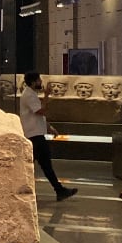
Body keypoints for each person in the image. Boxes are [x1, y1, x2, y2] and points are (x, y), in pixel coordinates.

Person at [18, 71, 77, 201]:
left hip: (36, 134)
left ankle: (59, 190)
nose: (41, 82)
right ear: (33, 82)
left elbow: (38, 116)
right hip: (34, 135)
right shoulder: (29, 95)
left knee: (42, 165)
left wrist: (49, 127)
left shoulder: (31, 94)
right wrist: (47, 95)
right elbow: (41, 110)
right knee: (42, 164)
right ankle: (58, 190)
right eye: (39, 80)